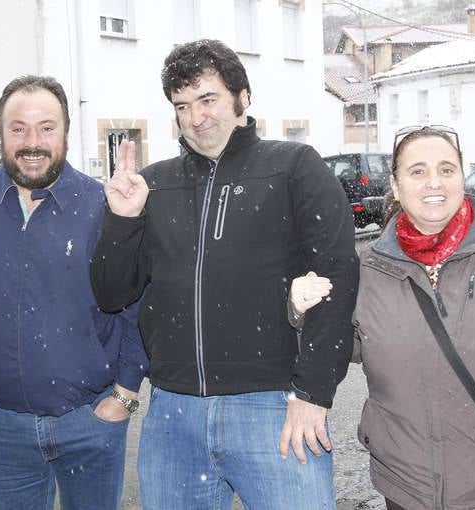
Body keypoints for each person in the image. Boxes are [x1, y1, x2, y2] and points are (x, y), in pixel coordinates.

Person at [89, 39, 359, 509]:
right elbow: (112, 293)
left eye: (208, 99)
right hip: (174, 413)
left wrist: (314, 392)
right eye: (183, 106)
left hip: (274, 407)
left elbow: (337, 277)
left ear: (242, 97)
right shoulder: (154, 184)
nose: (196, 117)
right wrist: (122, 219)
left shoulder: (294, 167)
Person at [292, 125, 475, 509]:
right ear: (396, 187)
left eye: (447, 169)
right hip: (406, 490)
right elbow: (341, 346)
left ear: (462, 178)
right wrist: (303, 312)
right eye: (418, 171)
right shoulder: (369, 269)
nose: (434, 181)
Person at [0, 75, 148, 510]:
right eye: (18, 128)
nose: (31, 141)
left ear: (66, 133)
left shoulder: (104, 208)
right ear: (0, 132)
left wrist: (125, 395)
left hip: (90, 423)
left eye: (46, 128)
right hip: (0, 430)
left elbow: (138, 305)